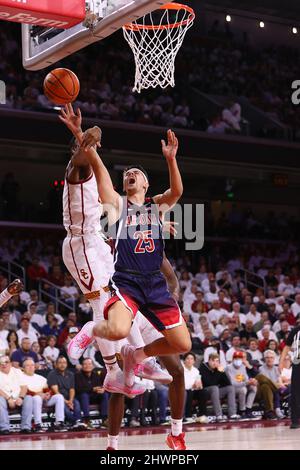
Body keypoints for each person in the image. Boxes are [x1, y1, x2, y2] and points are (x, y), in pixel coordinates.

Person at [59, 105, 147, 398]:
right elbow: (87, 146)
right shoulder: (77, 167)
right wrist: (86, 134)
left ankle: (139, 362)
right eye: (88, 146)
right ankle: (112, 371)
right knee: (101, 303)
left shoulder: (97, 171)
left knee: (120, 298)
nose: (93, 148)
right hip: (80, 243)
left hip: (96, 241)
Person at [22, 358, 66, 432]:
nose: (30, 367)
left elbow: (47, 389)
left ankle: (59, 423)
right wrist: (38, 394)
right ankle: (37, 424)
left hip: (44, 399)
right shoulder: (20, 377)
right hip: (31, 400)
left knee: (59, 397)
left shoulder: (40, 377)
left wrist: (48, 394)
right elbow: (23, 391)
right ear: (23, 368)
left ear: (35, 367)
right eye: (28, 365)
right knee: (37, 398)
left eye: (32, 365)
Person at [47, 356, 86, 430]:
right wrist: (67, 402)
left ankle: (78, 421)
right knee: (63, 405)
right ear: (56, 364)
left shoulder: (70, 374)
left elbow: (72, 389)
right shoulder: (52, 374)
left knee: (76, 402)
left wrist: (70, 400)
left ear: (67, 364)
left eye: (64, 363)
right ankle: (74, 422)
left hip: (68, 397)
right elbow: (56, 391)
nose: (62, 365)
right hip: (57, 398)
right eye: (60, 363)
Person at [200, 353, 239, 422]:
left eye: (217, 361)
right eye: (213, 361)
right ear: (209, 361)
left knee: (230, 388)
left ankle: (232, 413)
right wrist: (218, 372)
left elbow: (228, 383)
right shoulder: (203, 367)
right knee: (214, 388)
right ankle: (219, 415)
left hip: (216, 392)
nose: (215, 363)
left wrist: (222, 371)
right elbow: (210, 383)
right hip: (205, 391)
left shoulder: (217, 369)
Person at [0, 356, 32, 434]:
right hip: (4, 398)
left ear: (10, 363)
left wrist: (21, 398)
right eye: (1, 363)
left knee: (28, 398)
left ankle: (26, 427)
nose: (4, 364)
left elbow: (24, 387)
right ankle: (4, 428)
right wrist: (8, 399)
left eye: (6, 362)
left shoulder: (17, 371)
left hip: (18, 398)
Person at [75, 358, 109, 429]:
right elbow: (79, 389)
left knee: (105, 394)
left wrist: (101, 389)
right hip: (82, 397)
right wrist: (92, 389)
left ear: (93, 366)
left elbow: (99, 385)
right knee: (84, 395)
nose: (87, 366)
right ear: (82, 366)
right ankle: (87, 420)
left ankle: (104, 420)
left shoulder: (96, 374)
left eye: (89, 364)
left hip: (93, 396)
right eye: (85, 364)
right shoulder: (78, 375)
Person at [279, 324, 300, 428]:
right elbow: (287, 346)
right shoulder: (295, 331)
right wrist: (281, 361)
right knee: (295, 392)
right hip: (297, 362)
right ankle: (295, 420)